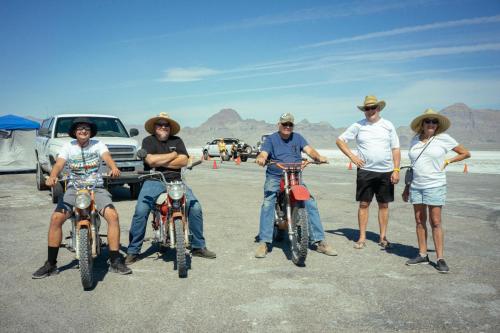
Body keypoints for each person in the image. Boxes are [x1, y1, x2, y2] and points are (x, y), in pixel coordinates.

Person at [32, 117, 131, 278]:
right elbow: (59, 164)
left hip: (96, 188)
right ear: (74, 132)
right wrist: (53, 176)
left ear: (90, 132)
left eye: (86, 128)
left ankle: (115, 260)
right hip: (74, 189)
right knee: (56, 218)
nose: (83, 131)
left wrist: (113, 168)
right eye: (80, 129)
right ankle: (50, 264)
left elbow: (107, 158)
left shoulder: (98, 145)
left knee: (113, 216)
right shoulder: (67, 147)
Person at [126, 113, 216, 264]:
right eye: (160, 124)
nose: (163, 127)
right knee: (141, 211)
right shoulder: (148, 141)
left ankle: (198, 246)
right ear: (154, 127)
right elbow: (151, 161)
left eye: (166, 125)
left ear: (170, 128)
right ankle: (133, 250)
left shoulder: (177, 140)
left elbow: (184, 161)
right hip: (153, 180)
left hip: (176, 181)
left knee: (195, 207)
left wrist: (160, 161)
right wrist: (174, 155)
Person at [255, 112, 337, 258]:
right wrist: (261, 158)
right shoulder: (271, 139)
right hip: (276, 175)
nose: (287, 126)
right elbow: (264, 153)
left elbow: (309, 150)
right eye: (284, 124)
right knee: (268, 202)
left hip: (294, 175)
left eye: (290, 124)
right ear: (279, 124)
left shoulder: (298, 137)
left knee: (309, 201)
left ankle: (319, 241)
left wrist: (318, 157)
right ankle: (264, 242)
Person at [402, 109, 470, 273]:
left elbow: (465, 153)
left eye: (434, 121)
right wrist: (407, 187)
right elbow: (412, 166)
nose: (431, 124)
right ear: (422, 124)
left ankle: (440, 258)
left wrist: (448, 161)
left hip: (435, 185)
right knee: (419, 221)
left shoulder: (443, 139)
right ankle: (423, 254)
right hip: (416, 185)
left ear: (437, 125)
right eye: (428, 121)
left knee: (436, 221)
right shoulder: (414, 140)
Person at [336, 95, 401, 249]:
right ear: (364, 110)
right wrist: (352, 156)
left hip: (386, 171)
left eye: (373, 107)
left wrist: (396, 170)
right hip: (366, 171)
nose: (370, 110)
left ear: (378, 109)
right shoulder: (358, 126)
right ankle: (362, 237)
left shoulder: (388, 125)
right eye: (367, 108)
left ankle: (383, 237)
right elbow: (340, 140)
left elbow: (396, 149)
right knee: (364, 204)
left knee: (384, 204)